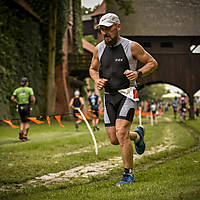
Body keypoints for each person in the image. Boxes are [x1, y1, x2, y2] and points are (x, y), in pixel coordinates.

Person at [89, 13, 158, 186]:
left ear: (118, 27)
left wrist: (138, 73)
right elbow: (92, 68)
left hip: (128, 93)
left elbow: (152, 62)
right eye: (102, 29)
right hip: (109, 96)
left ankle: (128, 174)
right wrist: (97, 80)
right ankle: (137, 136)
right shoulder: (98, 49)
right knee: (114, 139)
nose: (105, 33)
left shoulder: (131, 47)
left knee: (121, 132)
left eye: (108, 29)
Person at [11, 77, 35, 141]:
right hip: (26, 106)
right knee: (27, 122)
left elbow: (12, 98)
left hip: (20, 106)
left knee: (22, 121)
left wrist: (17, 102)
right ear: (26, 83)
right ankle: (24, 136)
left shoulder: (17, 90)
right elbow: (32, 99)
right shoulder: (29, 89)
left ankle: (21, 131)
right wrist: (32, 102)